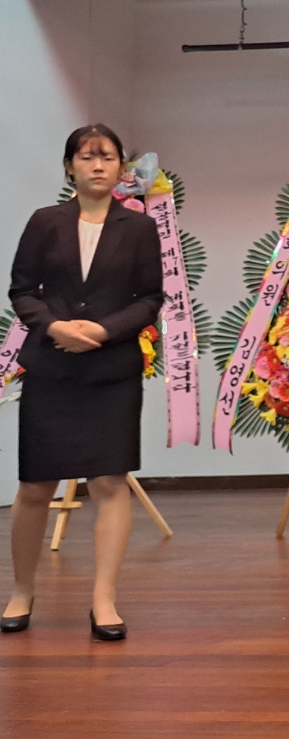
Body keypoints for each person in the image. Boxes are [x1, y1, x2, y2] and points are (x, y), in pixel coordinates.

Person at [3, 125, 163, 642]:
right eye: (87, 157)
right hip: (52, 368)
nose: (98, 166)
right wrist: (54, 327)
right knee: (35, 486)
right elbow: (22, 290)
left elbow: (150, 299)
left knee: (110, 484)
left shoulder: (139, 228)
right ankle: (22, 591)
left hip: (111, 371)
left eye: (108, 157)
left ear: (121, 169)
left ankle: (103, 600)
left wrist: (102, 331)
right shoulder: (45, 221)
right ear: (69, 166)